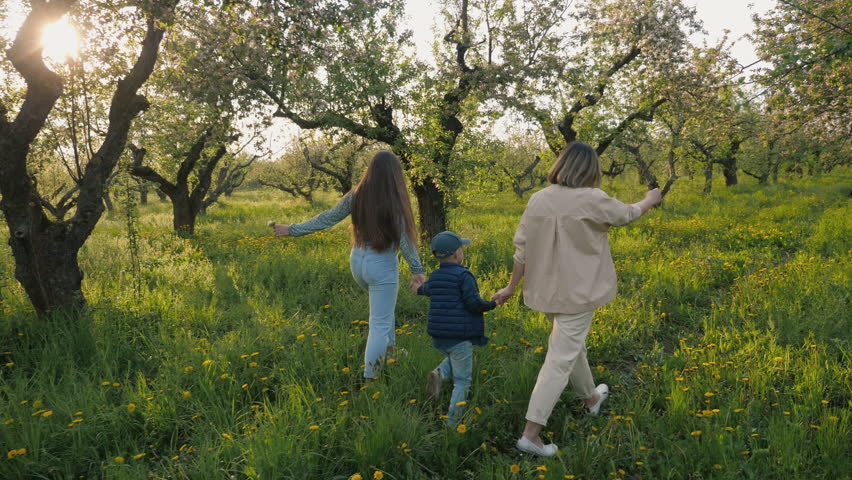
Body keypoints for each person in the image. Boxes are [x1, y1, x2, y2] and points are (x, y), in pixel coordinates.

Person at [492, 141, 662, 456]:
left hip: (545, 292)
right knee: (559, 359)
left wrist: (511, 287)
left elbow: (521, 249)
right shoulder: (592, 198)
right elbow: (627, 214)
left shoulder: (537, 199)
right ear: (591, 170)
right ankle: (530, 434)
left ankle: (591, 400)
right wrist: (650, 199)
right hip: (577, 293)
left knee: (570, 349)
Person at [271, 151, 426, 379]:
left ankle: (390, 352)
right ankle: (371, 379)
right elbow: (405, 239)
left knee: (384, 312)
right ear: (395, 175)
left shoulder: (357, 195)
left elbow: (327, 218)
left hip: (358, 261)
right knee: (379, 323)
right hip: (380, 265)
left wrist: (292, 229)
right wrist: (417, 270)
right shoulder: (394, 200)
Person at [416, 231, 497, 427]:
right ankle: (451, 423)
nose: (463, 251)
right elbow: (473, 302)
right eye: (461, 248)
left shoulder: (435, 276)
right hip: (459, 335)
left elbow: (425, 290)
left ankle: (439, 374)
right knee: (462, 380)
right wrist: (492, 304)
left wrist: (417, 287)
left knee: (454, 357)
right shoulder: (464, 275)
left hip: (439, 336)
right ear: (456, 254)